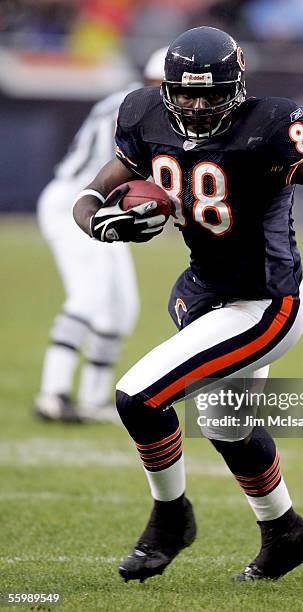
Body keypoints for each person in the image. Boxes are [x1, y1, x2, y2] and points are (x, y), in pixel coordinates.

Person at [73, 27, 303, 581]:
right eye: (186, 94)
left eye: (211, 94)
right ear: (166, 88)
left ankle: (171, 521)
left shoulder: (268, 125)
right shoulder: (143, 113)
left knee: (138, 398)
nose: (196, 106)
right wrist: (100, 222)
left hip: (265, 305)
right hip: (204, 294)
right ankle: (285, 532)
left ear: (236, 87)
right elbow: (92, 193)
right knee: (227, 423)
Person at [34, 47, 167, 423]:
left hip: (105, 205)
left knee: (121, 308)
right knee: (89, 296)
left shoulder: (136, 103)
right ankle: (52, 392)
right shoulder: (133, 107)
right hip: (77, 201)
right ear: (156, 82)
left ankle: (92, 398)